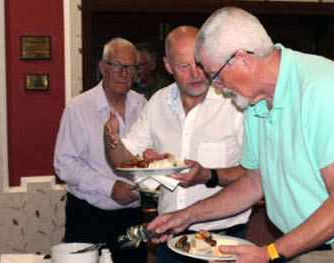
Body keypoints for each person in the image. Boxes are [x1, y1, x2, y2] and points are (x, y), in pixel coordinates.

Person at [146, 7, 334, 263]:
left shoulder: (323, 89)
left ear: (243, 59)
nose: (218, 87)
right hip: (303, 245)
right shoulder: (253, 102)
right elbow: (254, 181)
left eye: (216, 75)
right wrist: (186, 216)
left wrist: (270, 252)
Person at [101, 26, 250, 263]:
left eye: (199, 64)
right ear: (168, 66)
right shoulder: (158, 102)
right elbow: (123, 161)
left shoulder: (234, 103)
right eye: (184, 66)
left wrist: (208, 175)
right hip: (170, 240)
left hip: (221, 241)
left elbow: (254, 175)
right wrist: (111, 140)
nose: (195, 74)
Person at [53, 37, 149, 263]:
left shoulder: (144, 105)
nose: (123, 73)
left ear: (137, 73)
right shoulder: (79, 107)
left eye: (130, 67)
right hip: (89, 217)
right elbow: (64, 164)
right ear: (103, 67)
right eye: (117, 66)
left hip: (131, 217)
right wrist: (109, 187)